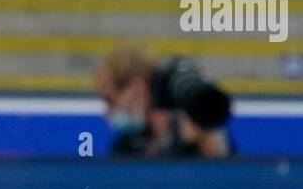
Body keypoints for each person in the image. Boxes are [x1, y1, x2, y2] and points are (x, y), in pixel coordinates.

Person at [94, 46, 233, 159]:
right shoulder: (125, 146)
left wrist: (205, 140)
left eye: (110, 100)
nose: (107, 112)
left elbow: (228, 183)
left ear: (137, 89)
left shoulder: (196, 132)